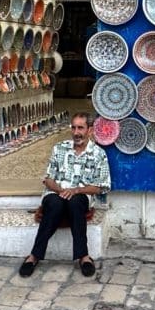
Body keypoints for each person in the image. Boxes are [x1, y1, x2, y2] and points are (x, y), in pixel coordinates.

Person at [19, 111, 110, 278]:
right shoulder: (59, 148)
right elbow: (48, 179)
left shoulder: (98, 154)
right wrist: (61, 190)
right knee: (55, 204)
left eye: (80, 128)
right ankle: (34, 256)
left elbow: (101, 187)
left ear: (89, 130)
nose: (76, 132)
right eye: (74, 128)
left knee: (76, 203)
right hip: (56, 192)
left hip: (81, 194)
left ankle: (83, 256)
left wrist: (76, 190)